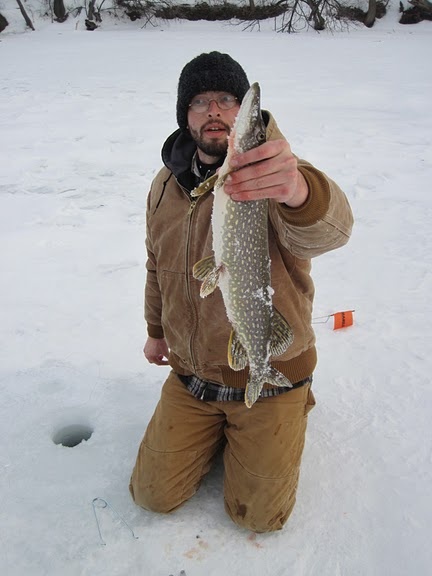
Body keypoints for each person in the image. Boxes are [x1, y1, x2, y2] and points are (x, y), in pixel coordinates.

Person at [129, 52, 354, 533]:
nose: (214, 110)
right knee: (151, 496)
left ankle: (291, 409)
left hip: (271, 379)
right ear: (183, 115)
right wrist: (155, 331)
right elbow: (157, 263)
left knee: (258, 519)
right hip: (193, 375)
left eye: (227, 100)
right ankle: (216, 429)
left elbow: (329, 230)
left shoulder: (271, 176)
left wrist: (299, 190)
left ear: (240, 115)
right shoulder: (166, 184)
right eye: (200, 102)